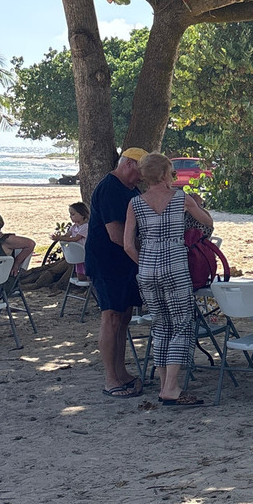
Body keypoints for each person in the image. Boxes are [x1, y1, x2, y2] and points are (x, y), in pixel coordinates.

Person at [123, 152, 214, 407]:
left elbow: (128, 245)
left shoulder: (135, 203)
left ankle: (164, 386)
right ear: (165, 174)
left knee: (161, 325)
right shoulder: (180, 198)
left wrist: (145, 263)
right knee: (182, 324)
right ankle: (172, 387)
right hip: (174, 268)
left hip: (147, 271)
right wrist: (195, 207)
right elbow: (208, 223)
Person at [86, 147, 146, 398]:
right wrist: (144, 253)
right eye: (142, 170)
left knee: (124, 318)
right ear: (129, 164)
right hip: (107, 262)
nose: (143, 176)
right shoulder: (110, 187)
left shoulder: (132, 189)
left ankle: (121, 372)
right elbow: (116, 234)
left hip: (126, 263)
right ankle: (111, 379)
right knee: (111, 317)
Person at [51, 202, 89, 281]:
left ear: (82, 215)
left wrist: (60, 238)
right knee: (80, 276)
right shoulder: (73, 227)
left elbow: (76, 238)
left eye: (73, 214)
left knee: (87, 272)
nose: (70, 217)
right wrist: (58, 237)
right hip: (77, 254)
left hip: (85, 253)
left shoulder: (85, 227)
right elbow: (67, 235)